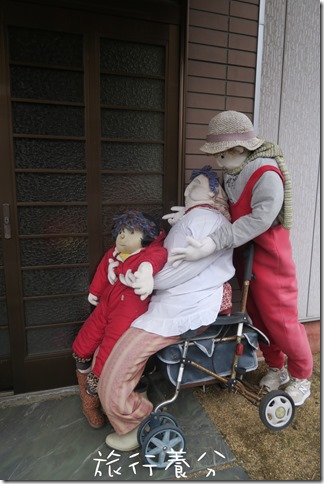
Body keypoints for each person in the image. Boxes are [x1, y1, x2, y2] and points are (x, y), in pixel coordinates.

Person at [168, 110, 313, 407]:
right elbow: (224, 207)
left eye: (221, 155)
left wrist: (211, 243)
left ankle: (301, 376)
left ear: (237, 150)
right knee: (257, 317)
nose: (218, 162)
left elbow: (258, 221)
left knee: (282, 320)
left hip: (271, 259)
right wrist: (192, 213)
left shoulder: (266, 173)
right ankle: (276, 367)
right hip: (245, 257)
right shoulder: (233, 170)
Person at [97, 165, 235, 451]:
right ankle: (131, 401)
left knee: (120, 361)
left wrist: (137, 277)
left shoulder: (209, 222)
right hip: (165, 304)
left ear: (212, 190)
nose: (186, 191)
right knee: (116, 352)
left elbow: (179, 271)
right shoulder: (195, 218)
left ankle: (137, 422)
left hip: (182, 307)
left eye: (194, 185)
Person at [72, 210, 168, 428]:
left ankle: (91, 400)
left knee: (108, 353)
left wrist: (145, 273)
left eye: (130, 232)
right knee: (83, 345)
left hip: (129, 309)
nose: (122, 237)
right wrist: (95, 292)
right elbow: (102, 270)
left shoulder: (152, 252)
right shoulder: (115, 253)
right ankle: (86, 395)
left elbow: (155, 260)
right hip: (107, 303)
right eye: (121, 231)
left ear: (147, 236)